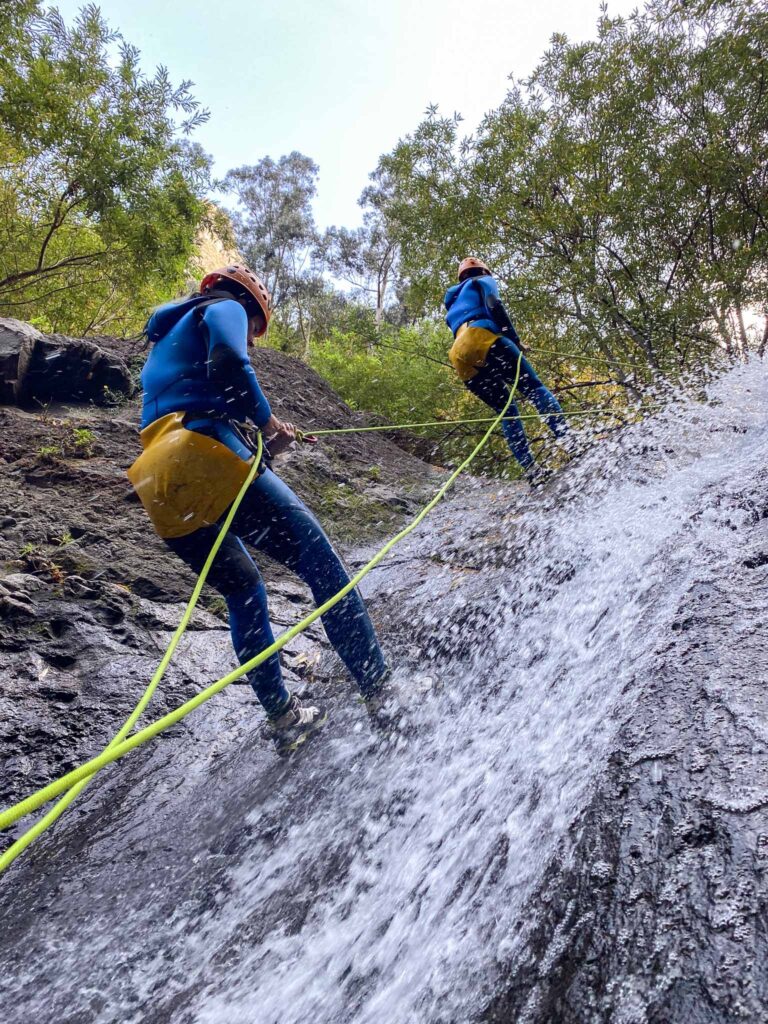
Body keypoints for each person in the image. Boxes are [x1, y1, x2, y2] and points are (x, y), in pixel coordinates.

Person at [127, 264, 389, 754]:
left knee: (243, 588)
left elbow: (195, 409)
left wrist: (270, 448)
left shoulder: (169, 335)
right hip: (204, 446)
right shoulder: (224, 307)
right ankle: (382, 691)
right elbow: (228, 359)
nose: (251, 337)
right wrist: (267, 423)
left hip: (155, 474)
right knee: (323, 565)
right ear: (251, 307)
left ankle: (284, 719)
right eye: (256, 330)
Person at [444, 257, 567, 481]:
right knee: (534, 388)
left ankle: (532, 471)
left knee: (506, 411)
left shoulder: (452, 300)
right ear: (483, 270)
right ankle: (570, 441)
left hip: (458, 355)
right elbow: (493, 304)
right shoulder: (482, 280)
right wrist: (515, 339)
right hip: (482, 336)